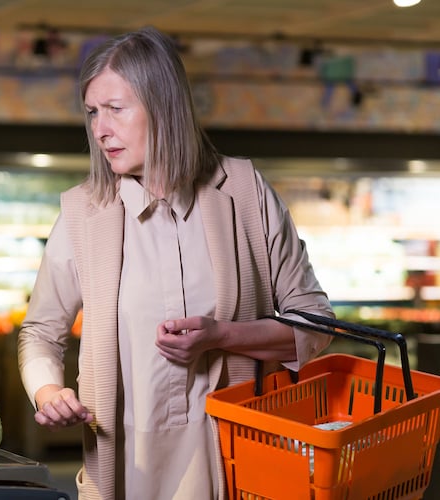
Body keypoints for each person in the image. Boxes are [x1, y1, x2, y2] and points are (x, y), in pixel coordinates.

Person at [17, 26, 333, 500]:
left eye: (116, 110)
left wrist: (223, 336)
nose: (100, 130)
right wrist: (47, 392)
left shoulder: (244, 191)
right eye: (92, 113)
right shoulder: (83, 214)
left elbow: (317, 325)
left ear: (163, 107)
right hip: (121, 472)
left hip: (237, 467)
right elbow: (40, 332)